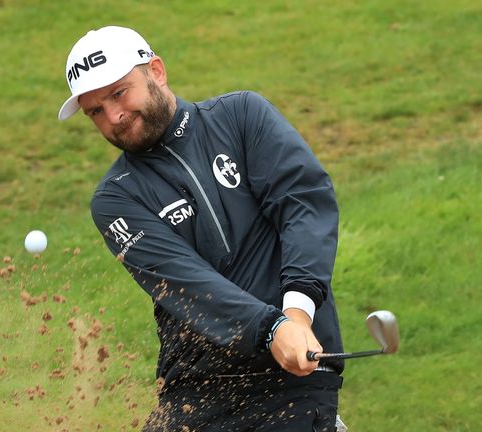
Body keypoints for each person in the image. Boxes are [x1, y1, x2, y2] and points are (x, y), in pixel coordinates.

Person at [58, 26, 346, 432]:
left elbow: (304, 206)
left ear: (156, 71)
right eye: (95, 111)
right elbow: (185, 282)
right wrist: (272, 328)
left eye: (119, 93)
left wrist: (296, 316)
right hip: (197, 389)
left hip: (294, 377)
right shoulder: (115, 200)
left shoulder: (242, 116)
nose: (114, 118)